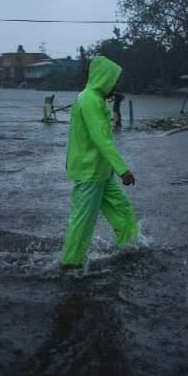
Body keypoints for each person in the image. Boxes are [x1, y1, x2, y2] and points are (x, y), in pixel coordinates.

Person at [60, 56, 137, 268]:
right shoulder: (89, 100)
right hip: (90, 172)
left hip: (102, 172)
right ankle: (69, 264)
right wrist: (123, 170)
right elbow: (100, 139)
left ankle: (129, 245)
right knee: (83, 222)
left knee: (122, 208)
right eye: (113, 80)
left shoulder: (96, 99)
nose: (116, 85)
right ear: (104, 78)